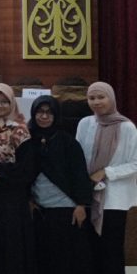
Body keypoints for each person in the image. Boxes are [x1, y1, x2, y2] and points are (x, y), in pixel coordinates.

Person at [75, 82, 137, 274]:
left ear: (111, 98)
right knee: (89, 249)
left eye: (101, 97)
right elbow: (77, 158)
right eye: (91, 98)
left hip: (114, 199)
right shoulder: (85, 124)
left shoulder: (127, 127)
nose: (96, 102)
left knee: (112, 249)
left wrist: (106, 172)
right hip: (88, 195)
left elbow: (135, 163)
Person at [29, 95, 92, 274]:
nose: (44, 116)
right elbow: (24, 173)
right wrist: (28, 199)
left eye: (49, 113)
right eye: (40, 112)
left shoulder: (68, 142)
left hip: (66, 209)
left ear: (56, 115)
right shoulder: (28, 139)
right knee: (42, 256)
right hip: (39, 209)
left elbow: (79, 174)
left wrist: (81, 205)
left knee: (64, 257)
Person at [0, 83, 37, 274]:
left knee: (11, 247)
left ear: (12, 103)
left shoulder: (20, 130)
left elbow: (28, 168)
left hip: (12, 199)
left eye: (4, 101)